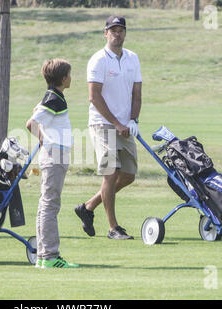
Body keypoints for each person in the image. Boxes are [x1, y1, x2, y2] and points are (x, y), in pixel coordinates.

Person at [75, 15, 142, 240]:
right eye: (112, 30)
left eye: (120, 29)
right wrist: (116, 123)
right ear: (105, 33)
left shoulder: (133, 58)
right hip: (102, 123)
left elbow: (137, 94)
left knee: (129, 175)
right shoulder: (98, 60)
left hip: (125, 125)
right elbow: (94, 97)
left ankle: (88, 207)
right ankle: (113, 228)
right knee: (110, 173)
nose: (117, 33)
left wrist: (133, 120)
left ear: (125, 32)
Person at [26, 59, 79, 268]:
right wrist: (41, 137)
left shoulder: (54, 97)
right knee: (50, 204)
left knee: (46, 204)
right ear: (63, 78)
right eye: (69, 74)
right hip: (54, 155)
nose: (71, 78)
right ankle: (49, 256)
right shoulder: (53, 98)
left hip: (55, 154)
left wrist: (42, 136)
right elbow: (31, 123)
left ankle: (43, 255)